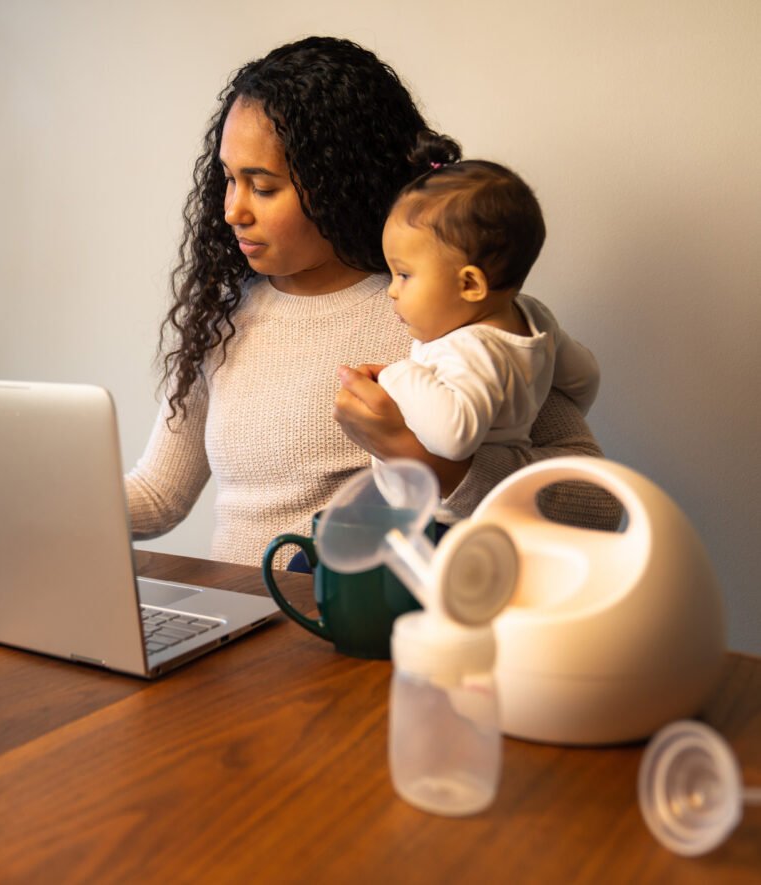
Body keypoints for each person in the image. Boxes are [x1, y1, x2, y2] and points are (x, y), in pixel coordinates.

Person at [125, 36, 611, 568]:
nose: (232, 211)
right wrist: (33, 501)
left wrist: (431, 465)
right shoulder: (222, 319)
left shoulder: (441, 314)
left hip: (359, 639)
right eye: (228, 180)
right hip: (242, 635)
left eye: (262, 187)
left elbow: (596, 504)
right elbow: (158, 496)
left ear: (337, 184)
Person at [372, 136, 600, 504]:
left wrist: (396, 376)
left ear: (470, 284)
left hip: (445, 520)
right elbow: (585, 378)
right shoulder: (534, 316)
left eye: (404, 275)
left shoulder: (468, 350)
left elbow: (453, 436)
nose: (391, 290)